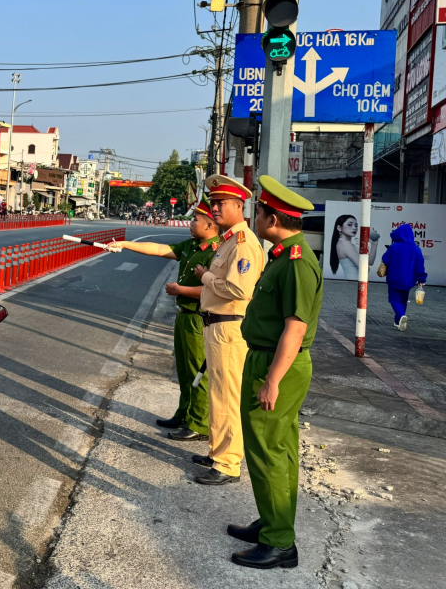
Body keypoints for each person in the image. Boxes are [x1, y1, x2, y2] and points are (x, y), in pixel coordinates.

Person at [228, 176, 322, 569]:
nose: (255, 217)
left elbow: (295, 329)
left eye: (259, 212)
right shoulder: (285, 256)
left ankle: (280, 541)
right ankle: (272, 524)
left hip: (276, 364)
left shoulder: (297, 263)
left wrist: (272, 381)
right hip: (266, 359)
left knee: (269, 453)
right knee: (274, 450)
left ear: (272, 217)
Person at [108, 198, 220, 441]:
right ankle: (184, 413)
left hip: (200, 319)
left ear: (210, 225)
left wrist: (181, 290)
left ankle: (199, 423)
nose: (191, 224)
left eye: (196, 220)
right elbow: (160, 249)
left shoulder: (217, 252)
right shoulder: (193, 246)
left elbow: (219, 289)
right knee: (184, 370)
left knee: (198, 374)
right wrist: (125, 244)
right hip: (184, 317)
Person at [191, 175, 264, 486]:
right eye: (214, 202)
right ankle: (217, 450)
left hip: (229, 328)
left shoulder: (244, 244)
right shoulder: (229, 242)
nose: (215, 208)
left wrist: (207, 277)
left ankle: (228, 464)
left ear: (239, 206)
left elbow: (237, 289)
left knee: (227, 396)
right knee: (217, 394)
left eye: (221, 203)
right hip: (217, 326)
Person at [380, 223, 427, 331]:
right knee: (403, 300)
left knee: (394, 299)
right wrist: (421, 279)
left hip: (394, 279)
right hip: (409, 280)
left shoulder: (394, 247)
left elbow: (385, 260)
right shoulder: (417, 249)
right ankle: (398, 321)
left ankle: (401, 316)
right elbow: (420, 266)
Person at [329, 214, 379, 280]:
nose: (354, 228)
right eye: (350, 225)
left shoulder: (344, 243)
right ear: (339, 228)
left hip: (353, 282)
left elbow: (370, 262)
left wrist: (374, 244)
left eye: (356, 225)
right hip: (354, 283)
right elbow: (365, 268)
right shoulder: (345, 244)